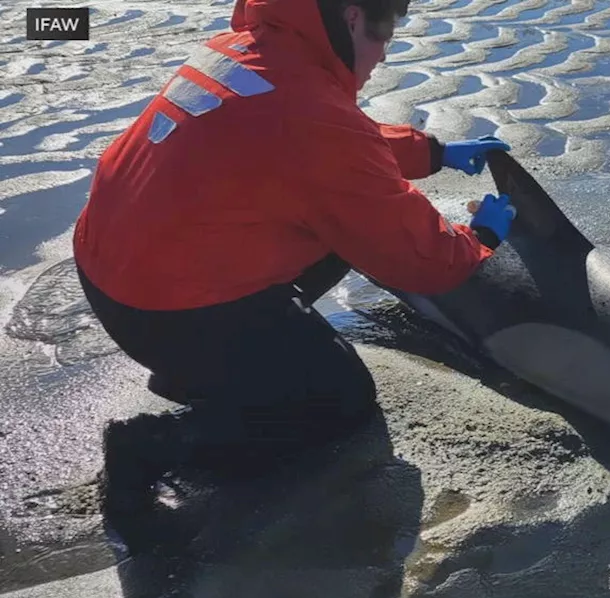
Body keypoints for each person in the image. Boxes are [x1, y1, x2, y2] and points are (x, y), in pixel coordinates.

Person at [72, 0, 515, 497]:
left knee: (343, 221)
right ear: (350, 18)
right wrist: (482, 238)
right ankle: (158, 444)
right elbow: (422, 256)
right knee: (340, 404)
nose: (384, 55)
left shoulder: (252, 50)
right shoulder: (310, 115)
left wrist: (433, 151)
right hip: (164, 308)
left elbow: (319, 144)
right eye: (383, 35)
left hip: (114, 268)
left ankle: (215, 372)